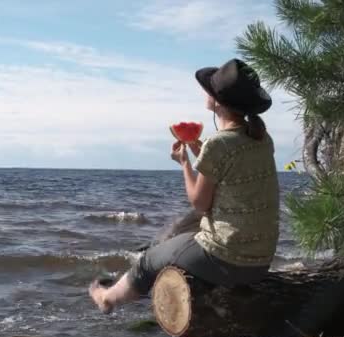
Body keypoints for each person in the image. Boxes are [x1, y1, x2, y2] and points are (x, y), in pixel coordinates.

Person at [89, 58, 280, 314]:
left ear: (218, 102)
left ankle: (107, 298)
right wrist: (203, 156)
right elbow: (233, 177)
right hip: (261, 260)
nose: (205, 92)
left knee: (148, 261)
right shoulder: (261, 138)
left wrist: (185, 164)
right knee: (180, 243)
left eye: (209, 89)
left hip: (228, 259)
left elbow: (200, 203)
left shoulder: (219, 144)